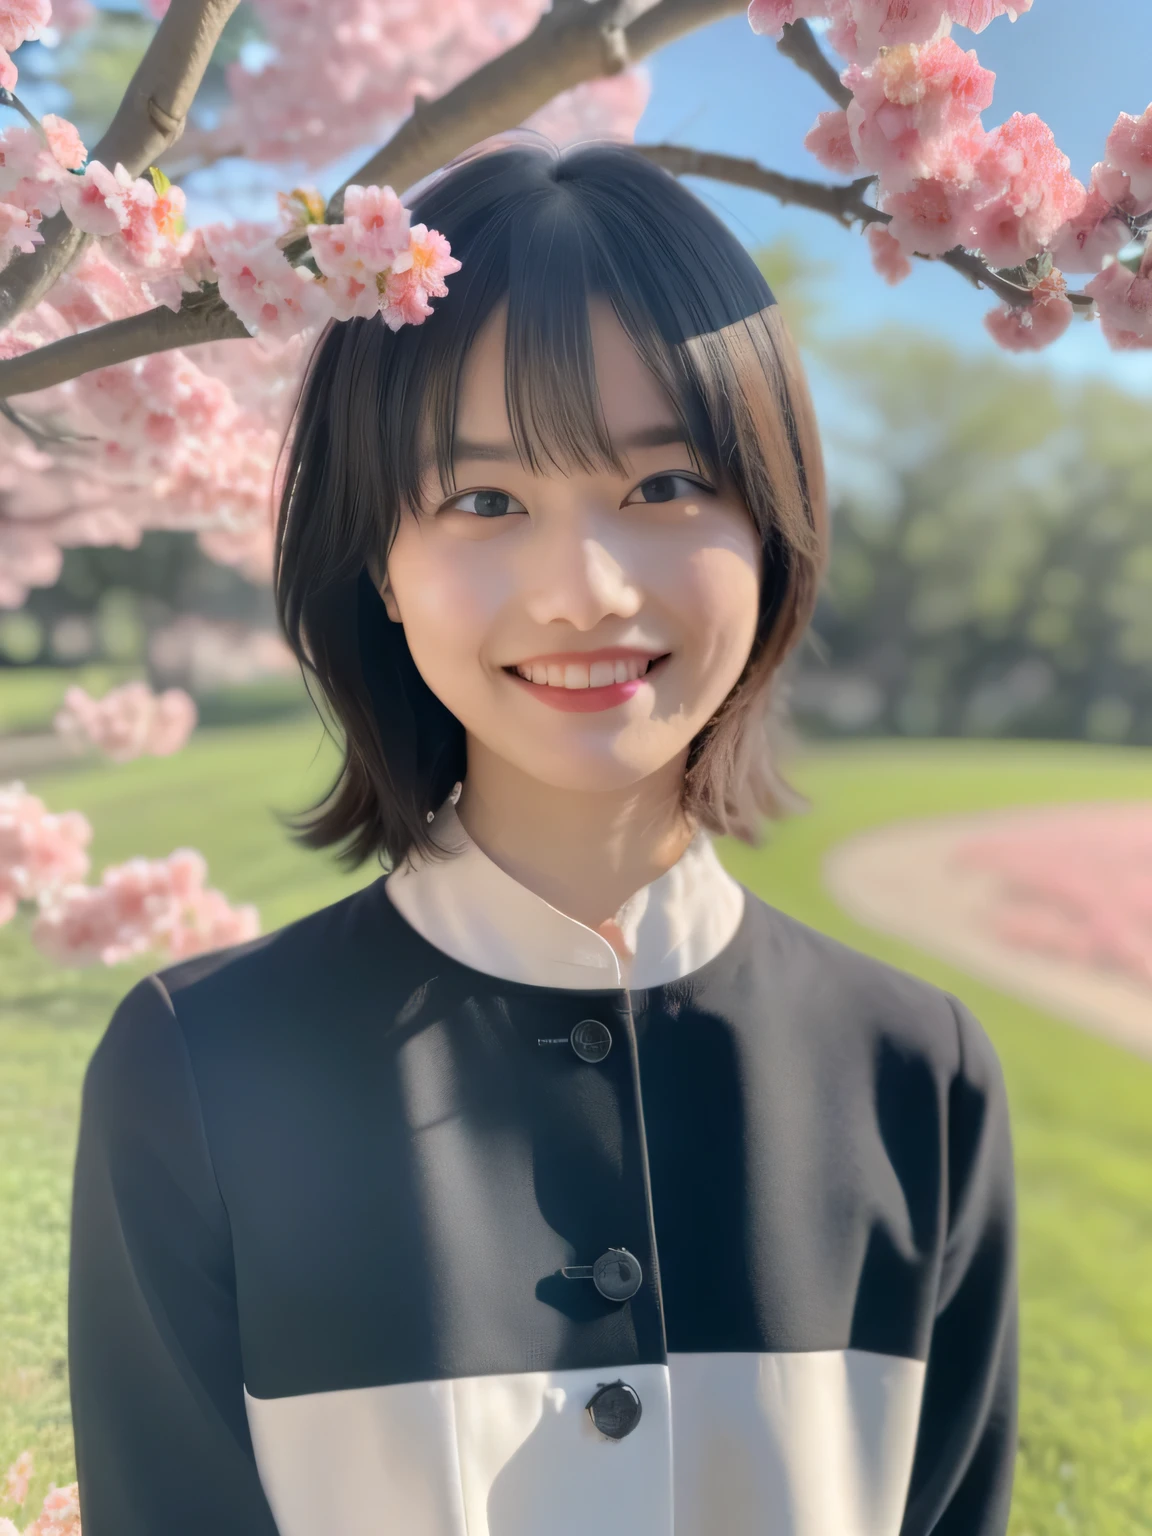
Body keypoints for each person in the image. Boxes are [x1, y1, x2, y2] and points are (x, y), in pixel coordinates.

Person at [68, 136, 1017, 1536]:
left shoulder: (917, 1083)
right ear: (377, 561)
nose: (585, 591)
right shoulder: (201, 1071)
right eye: (487, 500)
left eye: (665, 488)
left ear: (772, 526)